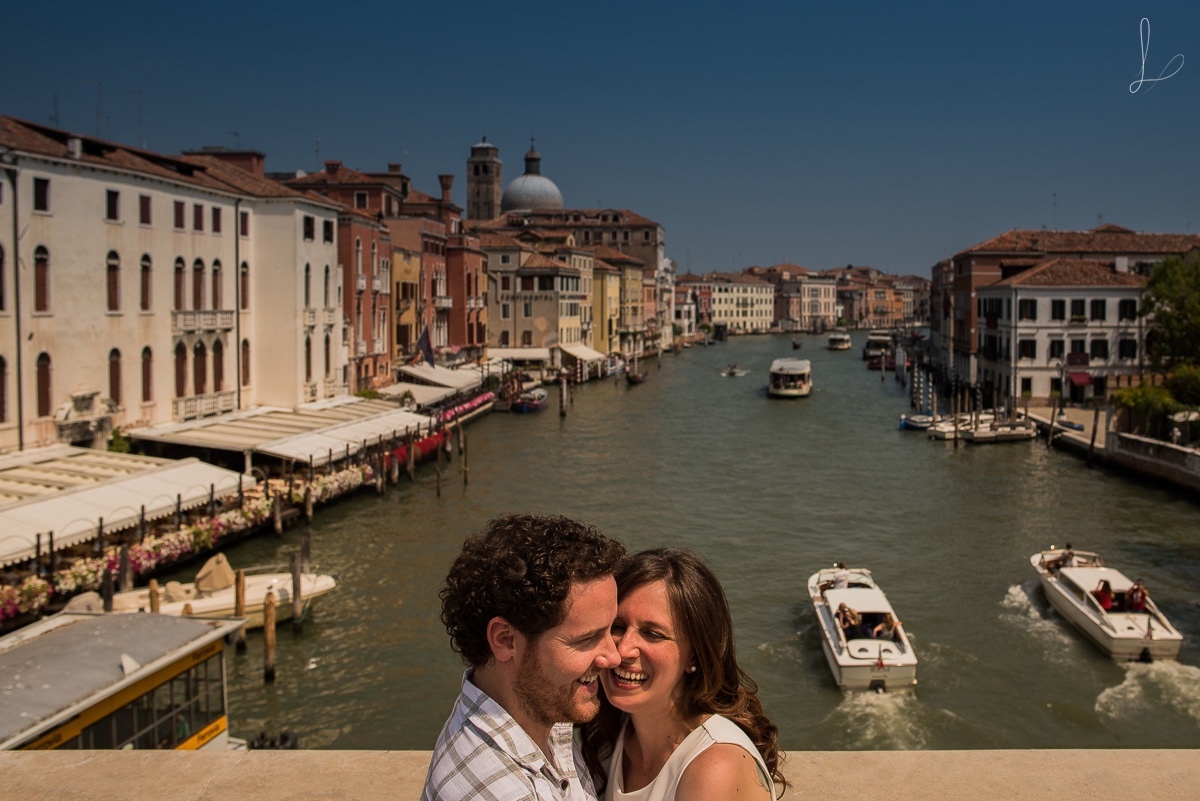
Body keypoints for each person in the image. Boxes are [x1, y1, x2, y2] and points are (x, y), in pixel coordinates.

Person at [422, 514, 626, 801]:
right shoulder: (501, 792)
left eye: (611, 628)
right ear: (505, 640)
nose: (614, 657)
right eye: (586, 639)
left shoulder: (539, 713)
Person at [582, 548, 786, 801]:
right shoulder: (607, 740)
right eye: (617, 626)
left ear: (694, 656)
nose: (623, 650)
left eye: (652, 634)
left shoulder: (714, 766)